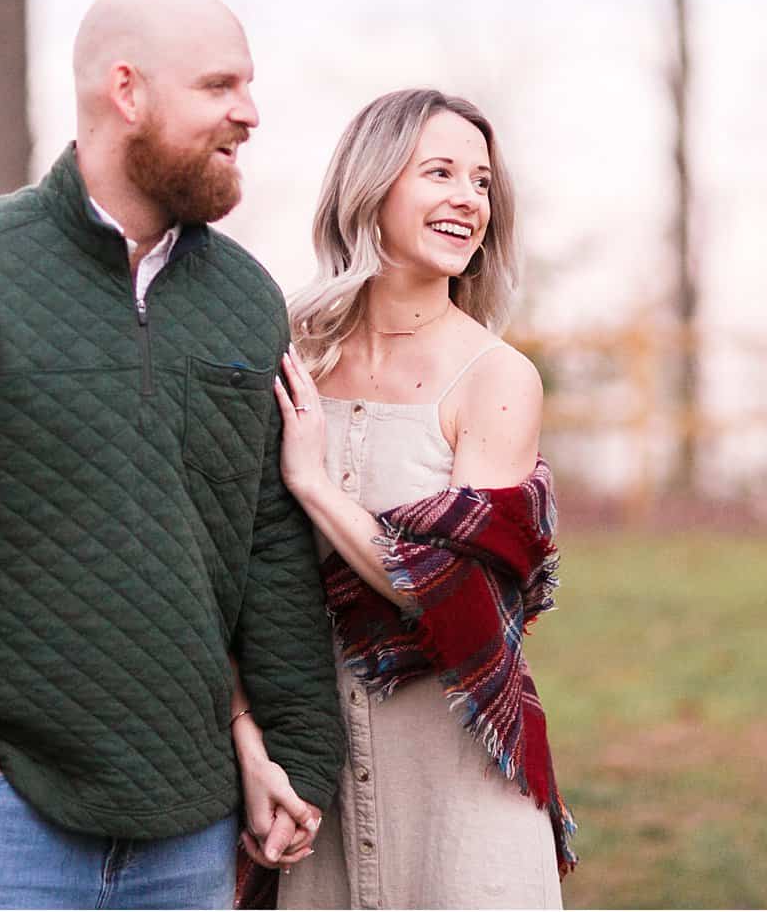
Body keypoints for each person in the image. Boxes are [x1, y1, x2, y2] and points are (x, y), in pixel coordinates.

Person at [0, 0, 342, 910]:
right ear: (127, 91)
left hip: (189, 835)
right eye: (220, 86)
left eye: (249, 86)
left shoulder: (246, 301)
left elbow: (269, 546)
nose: (249, 114)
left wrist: (296, 757)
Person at [233, 88, 578, 908]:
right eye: (441, 173)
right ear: (372, 186)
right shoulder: (291, 358)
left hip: (456, 774)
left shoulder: (496, 379)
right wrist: (250, 739)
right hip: (309, 764)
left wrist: (313, 484)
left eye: (483, 182)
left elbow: (462, 591)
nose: (469, 198)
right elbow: (229, 571)